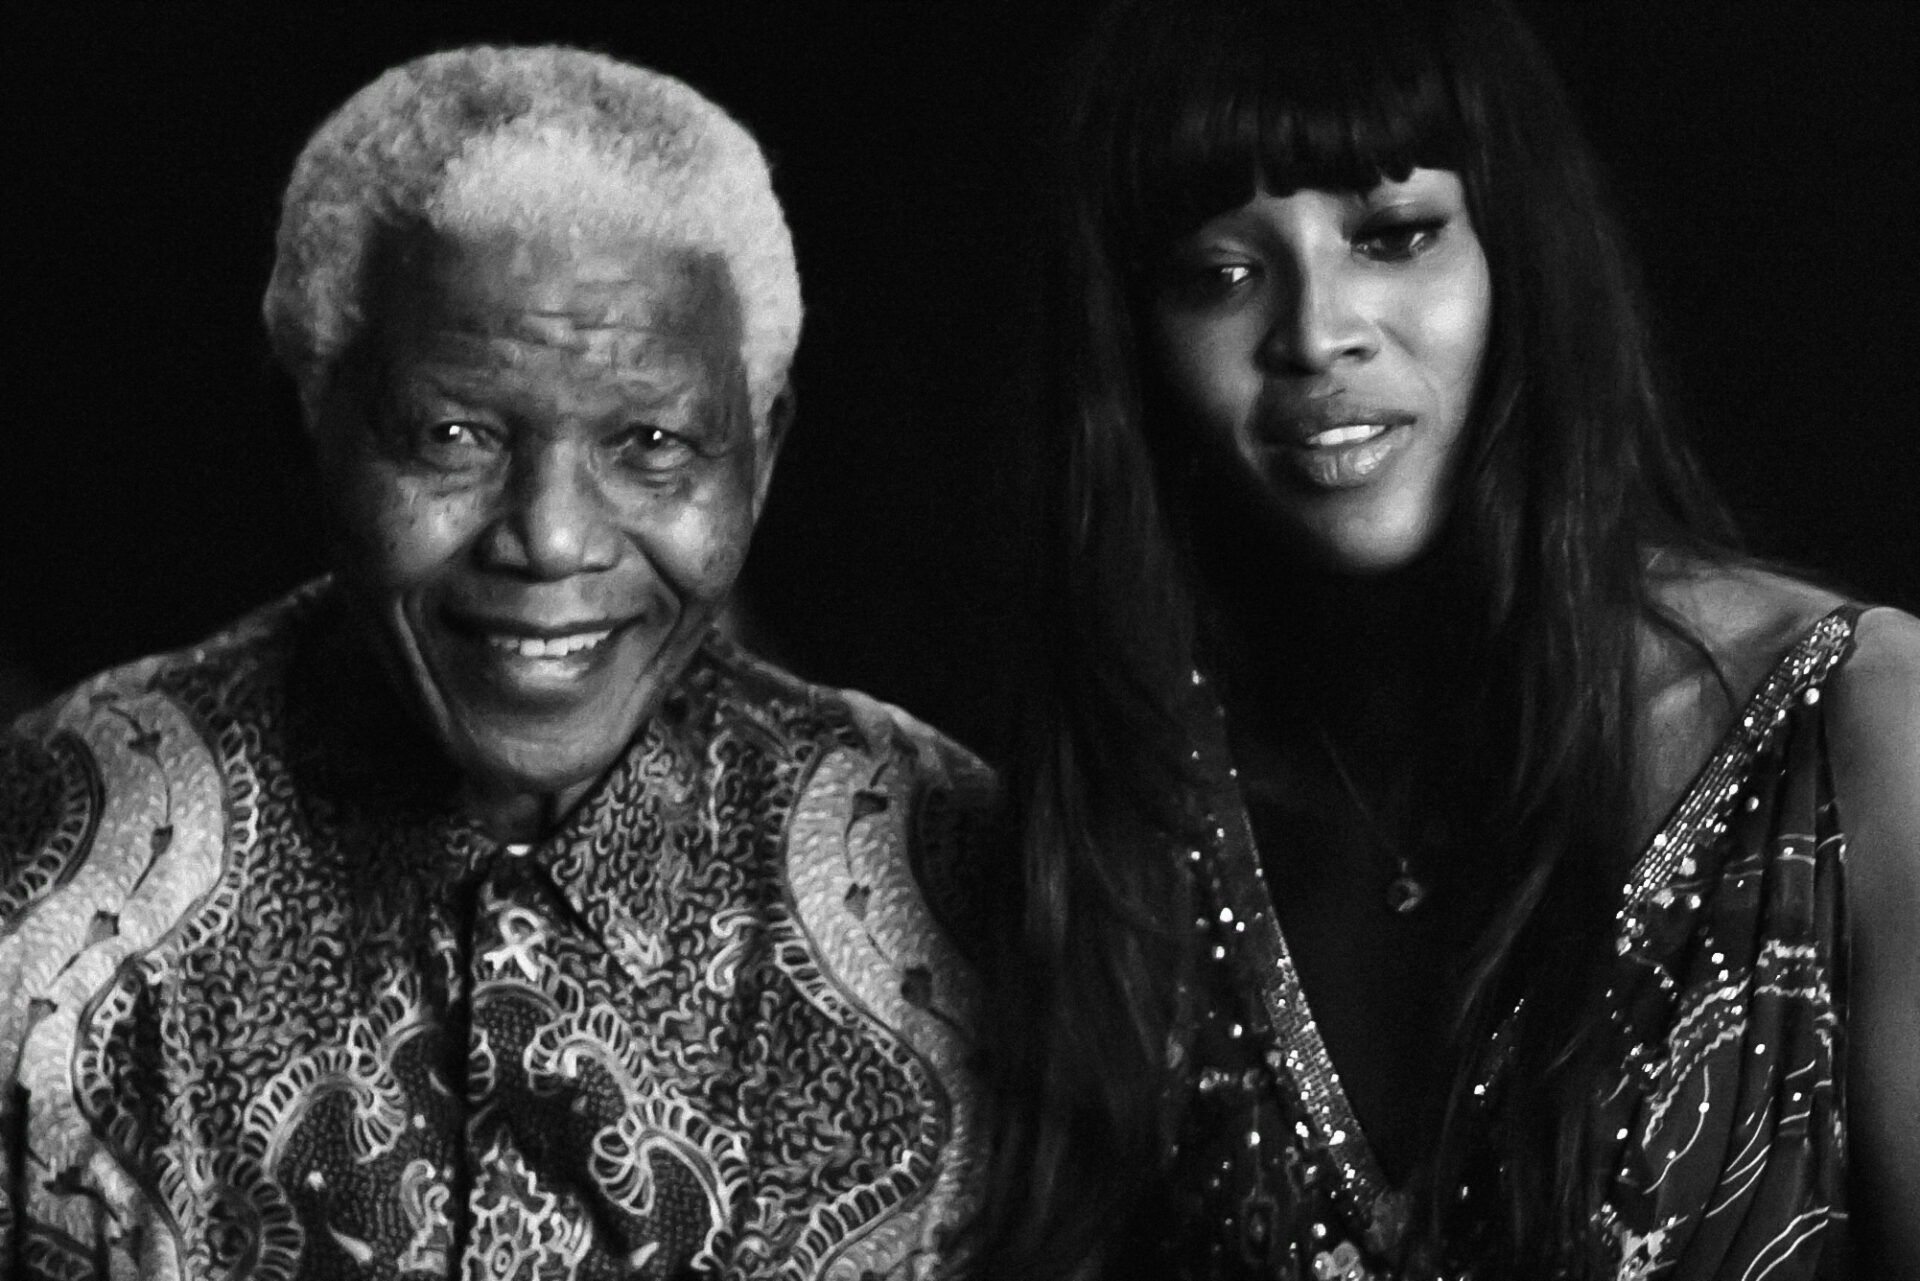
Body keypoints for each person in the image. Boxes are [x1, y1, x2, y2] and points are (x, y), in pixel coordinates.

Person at [0, 46, 991, 1280]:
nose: (553, 539)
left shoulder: (958, 878)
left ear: (762, 452)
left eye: (653, 441)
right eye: (454, 434)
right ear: (308, 426)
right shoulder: (49, 852)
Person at [970, 1, 1920, 1277]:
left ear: (1517, 259)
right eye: (1223, 275)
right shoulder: (1140, 794)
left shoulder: (1861, 727)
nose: (1317, 333)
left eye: (1394, 235)